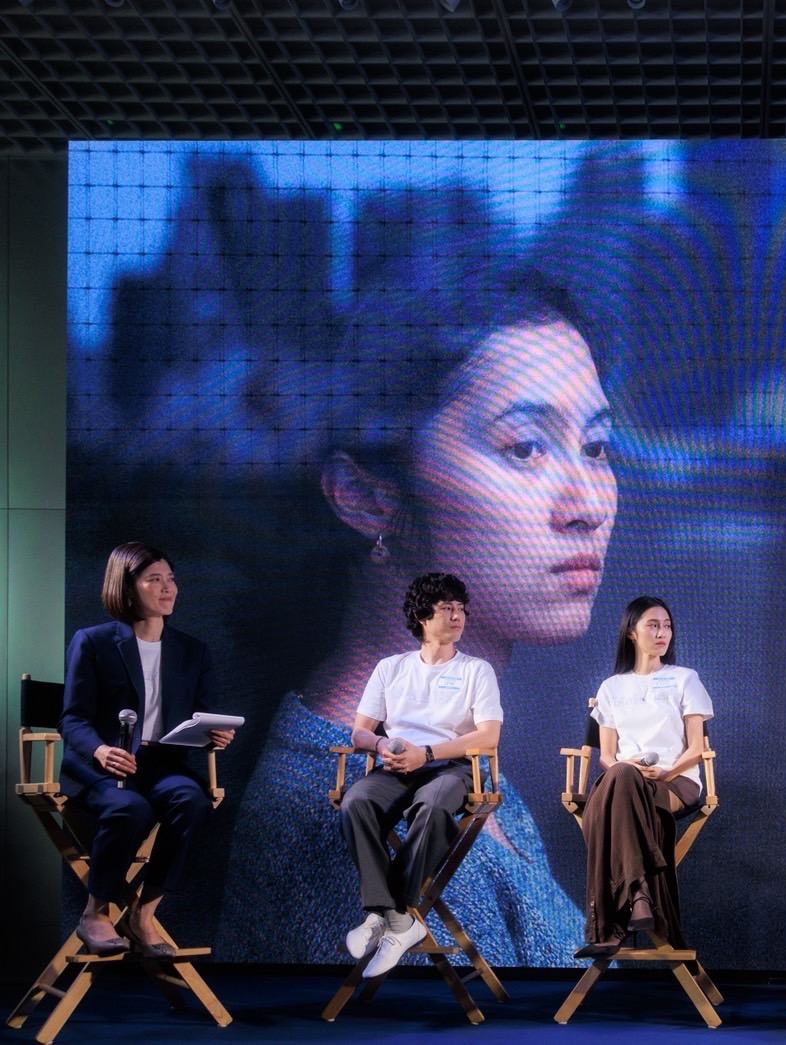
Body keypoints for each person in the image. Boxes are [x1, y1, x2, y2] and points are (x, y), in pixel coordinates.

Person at [219, 240, 617, 965]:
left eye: (595, 447)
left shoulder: (440, 768)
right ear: (365, 495)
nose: (587, 504)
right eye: (525, 447)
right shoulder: (362, 831)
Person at [60, 542, 235, 956]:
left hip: (162, 764)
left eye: (170, 579)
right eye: (154, 579)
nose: (167, 587)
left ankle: (144, 915)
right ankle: (94, 913)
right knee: (130, 809)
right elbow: (72, 719)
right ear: (126, 588)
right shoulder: (93, 642)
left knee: (192, 801)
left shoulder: (193, 651)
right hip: (102, 765)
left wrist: (215, 733)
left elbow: (204, 714)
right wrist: (100, 751)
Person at [337, 572, 502, 978]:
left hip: (452, 767)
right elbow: (360, 731)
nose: (458, 616)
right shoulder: (391, 668)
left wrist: (426, 753)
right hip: (396, 765)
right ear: (422, 617)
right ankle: (398, 921)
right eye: (447, 608)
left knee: (431, 805)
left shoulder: (476, 670)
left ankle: (386, 914)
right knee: (355, 802)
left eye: (461, 608)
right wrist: (382, 745)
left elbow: (488, 736)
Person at [576, 596, 714, 958]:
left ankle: (610, 925)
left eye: (667, 625)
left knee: (616, 792)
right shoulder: (611, 687)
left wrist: (667, 771)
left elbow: (697, 748)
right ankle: (638, 893)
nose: (662, 632)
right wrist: (627, 769)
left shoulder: (685, 679)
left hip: (675, 781)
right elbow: (607, 756)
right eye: (653, 625)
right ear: (632, 633)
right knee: (623, 775)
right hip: (627, 780)